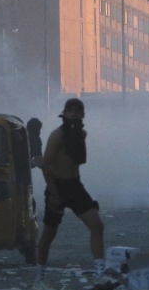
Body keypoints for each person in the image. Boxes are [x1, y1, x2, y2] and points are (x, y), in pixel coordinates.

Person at [36, 98, 105, 280]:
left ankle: (100, 273)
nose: (73, 114)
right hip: (57, 186)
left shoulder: (82, 134)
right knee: (49, 233)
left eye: (77, 111)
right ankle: (39, 276)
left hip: (75, 186)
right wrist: (54, 194)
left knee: (97, 226)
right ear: (64, 113)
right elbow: (45, 165)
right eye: (70, 111)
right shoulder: (56, 135)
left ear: (82, 114)